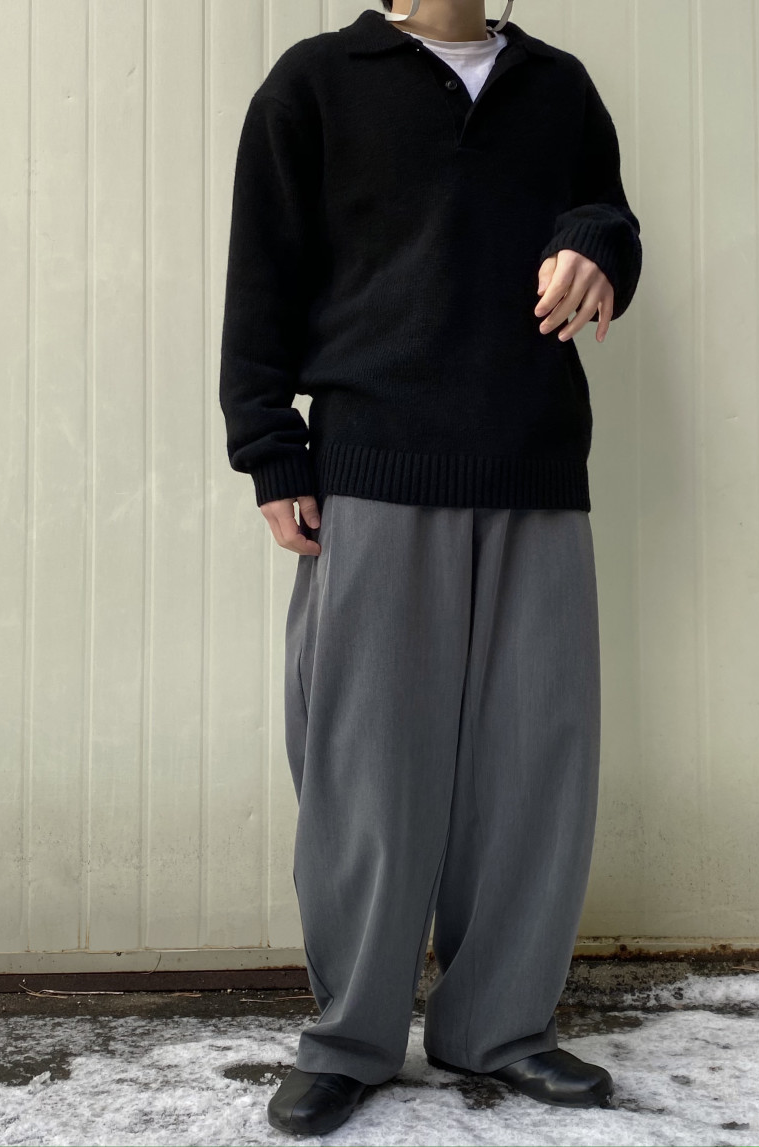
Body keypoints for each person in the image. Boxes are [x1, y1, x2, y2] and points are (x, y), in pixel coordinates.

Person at [219, 0, 642, 1136]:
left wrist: (599, 246)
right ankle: (350, 1037)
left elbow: (606, 216)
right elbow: (262, 276)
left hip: (532, 462)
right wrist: (269, 449)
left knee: (533, 764)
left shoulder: (558, 86)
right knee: (365, 769)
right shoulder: (315, 82)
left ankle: (498, 1027)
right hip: (372, 461)